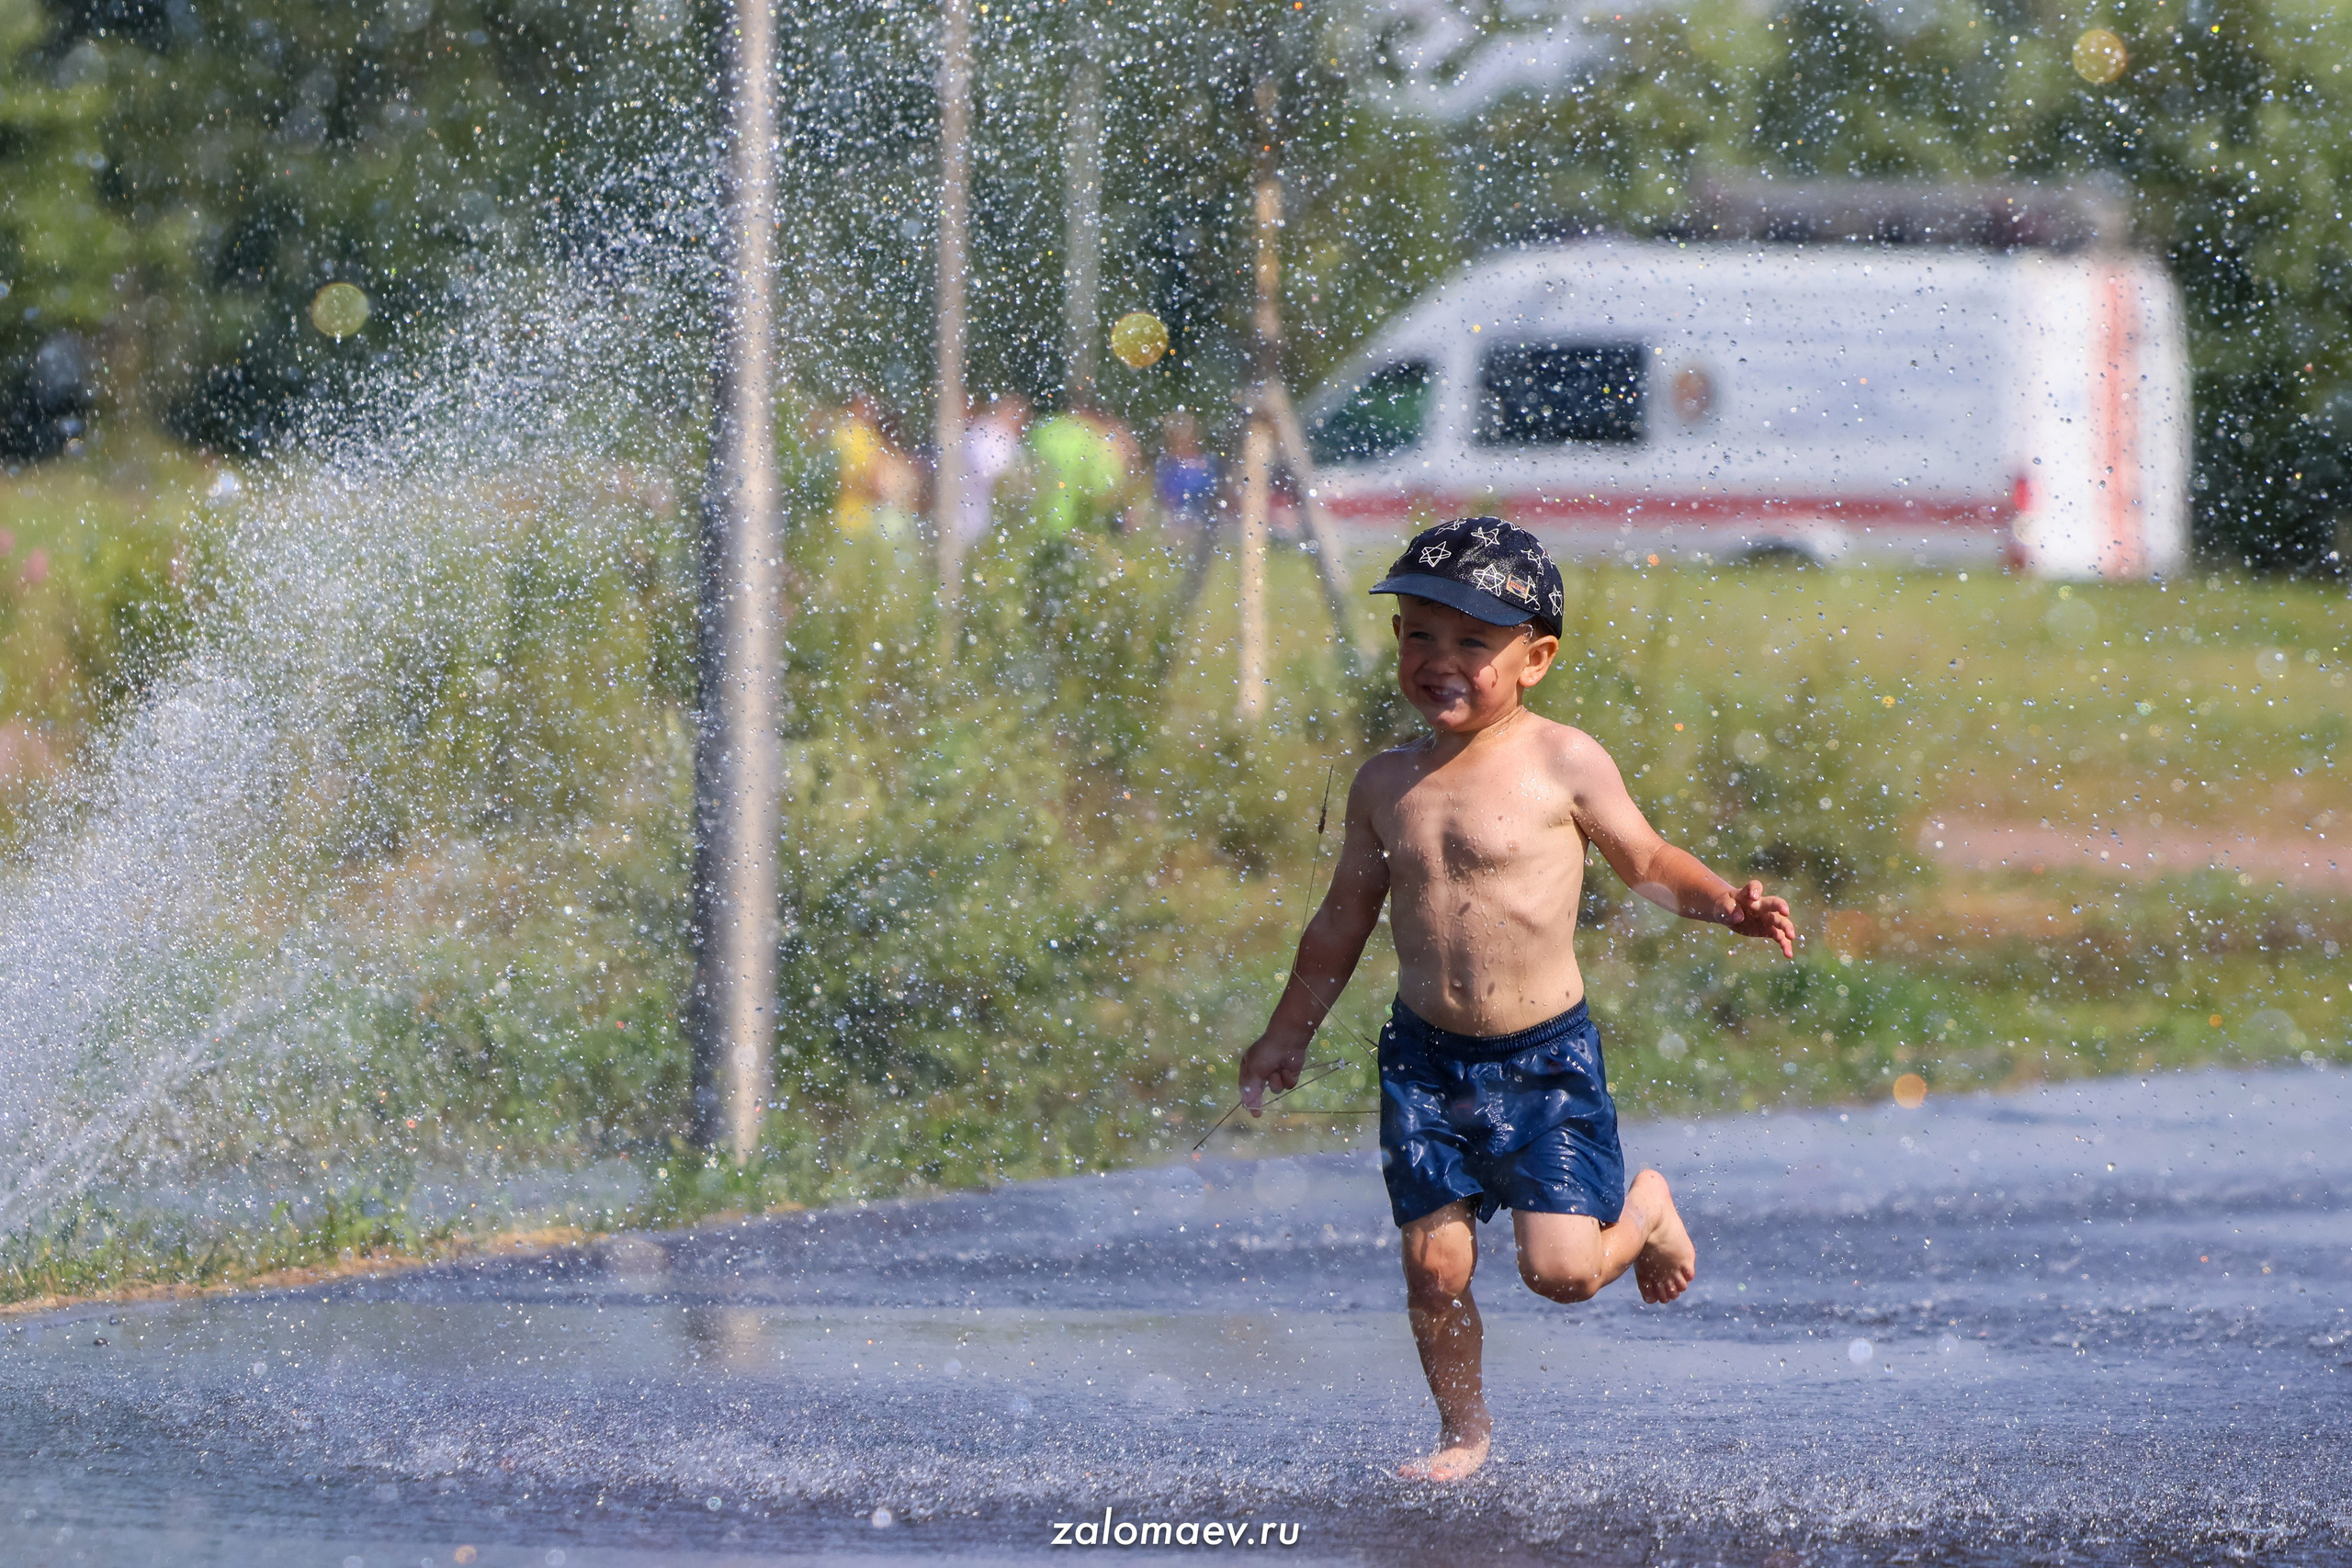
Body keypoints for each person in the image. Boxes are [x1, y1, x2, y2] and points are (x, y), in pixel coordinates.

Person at [1235, 517, 1797, 1484]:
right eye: (1418, 634)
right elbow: (1339, 922)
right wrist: (1285, 1034)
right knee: (1434, 1268)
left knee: (1564, 1275)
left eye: (1470, 643)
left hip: (1541, 1062)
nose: (1437, 660)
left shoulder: (1562, 763)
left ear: (1535, 658)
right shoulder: (1384, 783)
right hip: (1424, 1060)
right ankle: (1463, 1433)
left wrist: (1722, 906)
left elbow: (1646, 862)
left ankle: (1648, 1209)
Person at [1153, 409, 1217, 532]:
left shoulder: (1206, 465)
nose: (1181, 442)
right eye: (1176, 436)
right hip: (1174, 519)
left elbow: (1213, 497)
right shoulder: (1166, 466)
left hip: (1200, 519)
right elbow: (1162, 498)